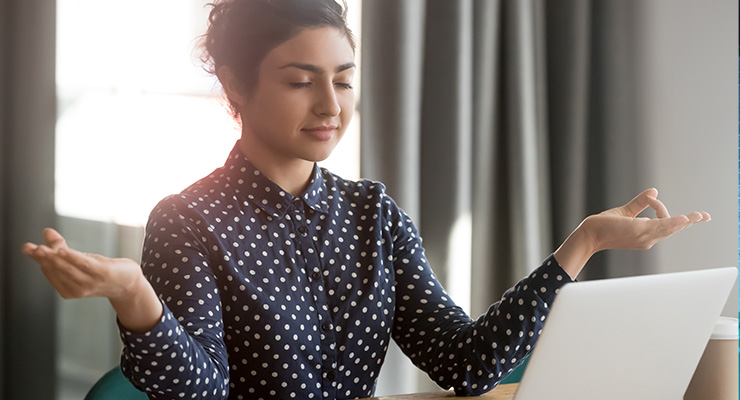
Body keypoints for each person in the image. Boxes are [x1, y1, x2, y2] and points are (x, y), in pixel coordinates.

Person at [22, 0, 711, 399]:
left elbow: (465, 363)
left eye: (344, 80)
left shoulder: (372, 214)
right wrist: (136, 297)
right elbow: (202, 394)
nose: (330, 105)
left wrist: (580, 246)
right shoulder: (189, 220)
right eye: (301, 81)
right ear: (234, 87)